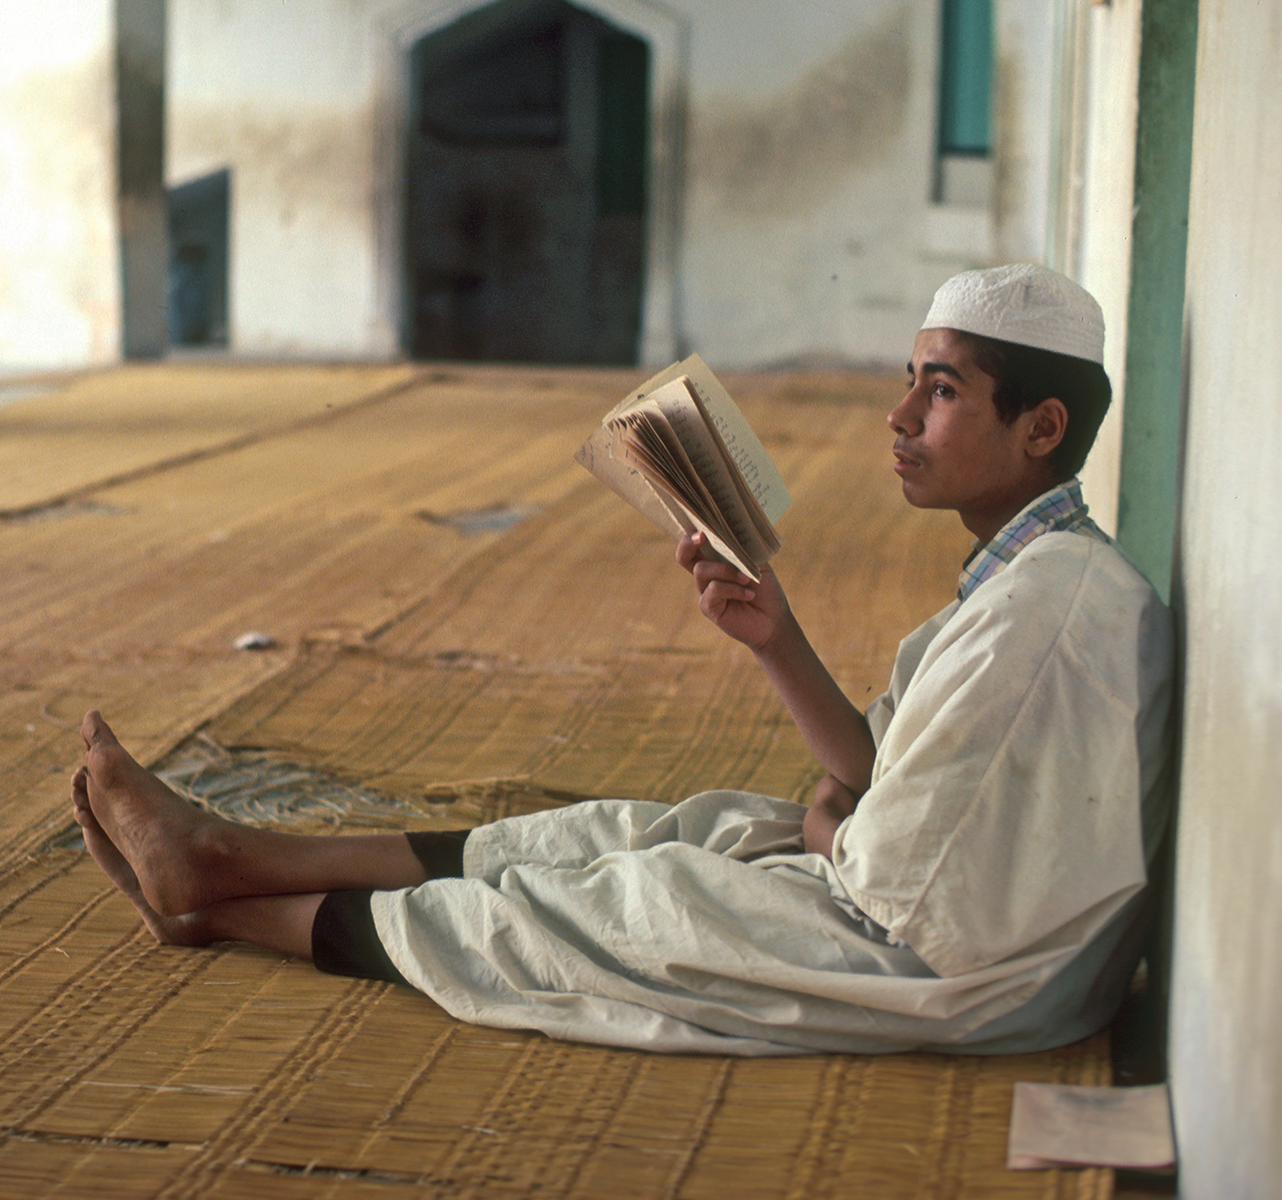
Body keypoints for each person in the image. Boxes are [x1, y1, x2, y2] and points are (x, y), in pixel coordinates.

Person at [70, 263, 1174, 1055]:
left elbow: (906, 890)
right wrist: (773, 637)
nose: (897, 417)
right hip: (919, 916)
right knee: (645, 831)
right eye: (910, 379)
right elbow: (881, 764)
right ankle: (235, 856)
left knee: (627, 904)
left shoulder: (1054, 612)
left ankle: (217, 905)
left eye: (940, 391)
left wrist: (834, 824)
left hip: (949, 975)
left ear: (1040, 429)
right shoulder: (1027, 577)